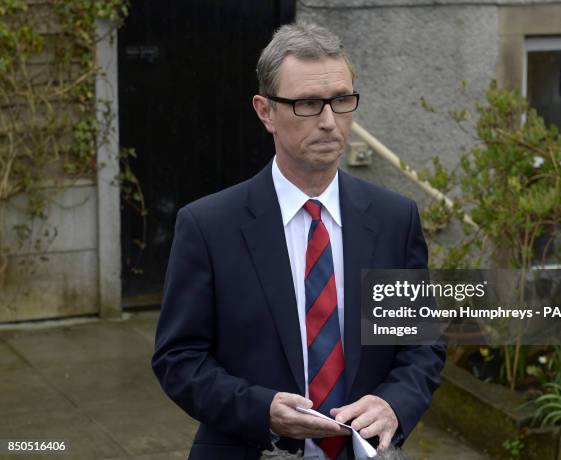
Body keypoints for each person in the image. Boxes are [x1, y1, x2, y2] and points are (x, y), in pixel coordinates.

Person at [152, 22, 446, 460]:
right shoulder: (208, 226)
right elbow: (179, 359)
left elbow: (420, 345)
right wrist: (259, 409)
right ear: (265, 111)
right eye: (308, 103)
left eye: (342, 100)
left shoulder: (393, 218)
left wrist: (393, 406)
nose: (329, 121)